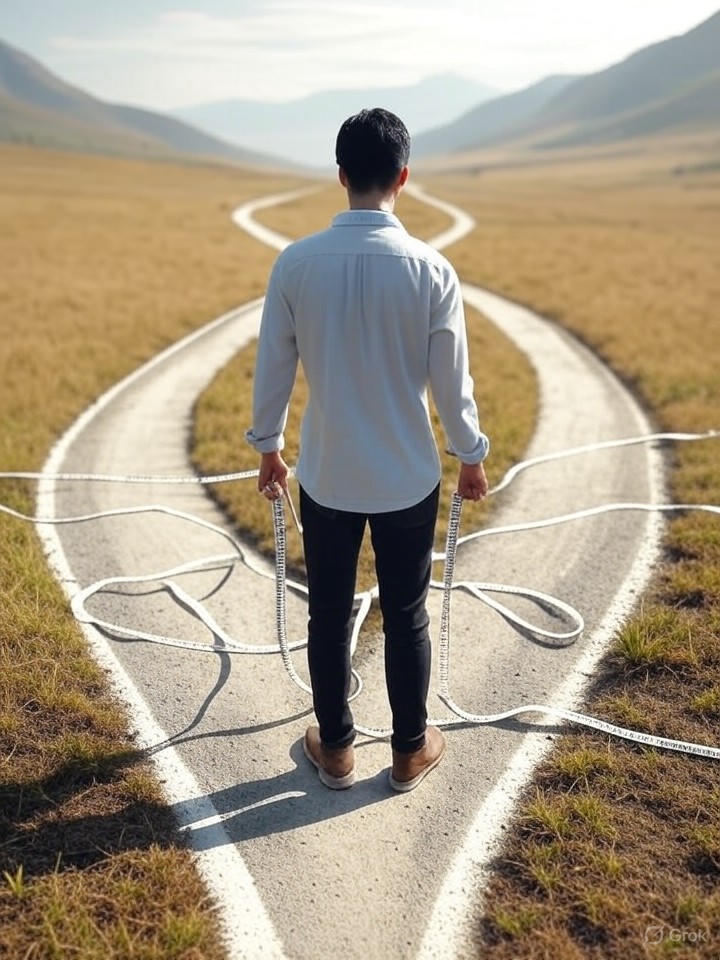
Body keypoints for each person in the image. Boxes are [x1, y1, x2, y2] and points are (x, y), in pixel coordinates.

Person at [245, 107, 489, 792]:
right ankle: (411, 750)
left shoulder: (294, 264)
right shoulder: (433, 269)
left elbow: (274, 370)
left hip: (326, 473)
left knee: (327, 608)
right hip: (408, 475)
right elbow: (452, 382)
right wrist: (470, 455)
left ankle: (338, 750)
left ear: (341, 176)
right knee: (406, 611)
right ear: (403, 177)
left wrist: (268, 447)